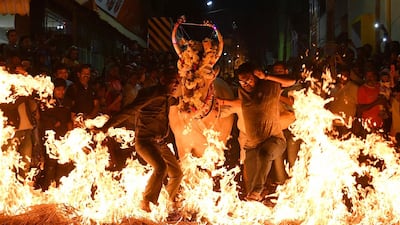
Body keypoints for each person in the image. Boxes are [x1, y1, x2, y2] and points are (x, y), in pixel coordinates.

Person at [100, 68, 183, 215]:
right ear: (163, 80)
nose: (176, 85)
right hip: (145, 142)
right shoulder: (150, 94)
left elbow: (177, 101)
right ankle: (146, 201)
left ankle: (165, 203)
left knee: (176, 173)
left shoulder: (168, 97)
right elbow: (129, 110)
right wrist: (106, 126)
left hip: (161, 143)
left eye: (178, 81)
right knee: (161, 168)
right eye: (173, 81)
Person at [218, 62, 295, 201]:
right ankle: (256, 200)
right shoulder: (243, 93)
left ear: (256, 77)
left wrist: (266, 76)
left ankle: (259, 190)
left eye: (248, 80)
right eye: (241, 81)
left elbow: (291, 81)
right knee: (250, 182)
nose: (245, 84)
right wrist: (221, 102)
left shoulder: (270, 87)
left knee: (264, 154)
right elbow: (239, 103)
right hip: (251, 145)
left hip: (274, 140)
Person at [39, 78, 74, 189]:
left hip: (63, 135)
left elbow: (69, 118)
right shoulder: (47, 101)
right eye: (58, 90)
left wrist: (70, 131)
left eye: (63, 90)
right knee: (51, 163)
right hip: (51, 136)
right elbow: (42, 116)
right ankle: (47, 187)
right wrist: (54, 122)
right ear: (53, 90)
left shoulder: (67, 101)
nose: (61, 92)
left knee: (62, 162)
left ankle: (60, 187)